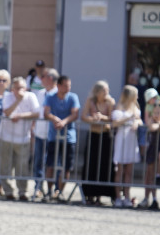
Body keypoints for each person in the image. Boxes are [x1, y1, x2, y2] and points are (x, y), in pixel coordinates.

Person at [0, 76, 41, 201]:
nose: (20, 90)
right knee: (5, 167)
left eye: (22, 87)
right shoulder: (7, 96)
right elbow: (7, 113)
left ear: (26, 88)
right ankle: (8, 191)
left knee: (22, 167)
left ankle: (23, 192)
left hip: (23, 138)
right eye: (17, 88)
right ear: (12, 89)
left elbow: (37, 113)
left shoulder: (31, 97)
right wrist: (17, 101)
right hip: (5, 137)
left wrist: (20, 115)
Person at [43, 74, 81, 203]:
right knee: (50, 164)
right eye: (65, 85)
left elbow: (75, 114)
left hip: (69, 138)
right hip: (54, 137)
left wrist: (64, 122)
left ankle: (59, 191)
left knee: (66, 167)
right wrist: (55, 119)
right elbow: (46, 112)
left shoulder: (73, 97)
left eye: (69, 85)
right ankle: (48, 191)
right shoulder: (50, 97)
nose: (68, 88)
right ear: (58, 86)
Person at [79, 80, 116, 205]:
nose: (107, 92)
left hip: (105, 136)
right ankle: (90, 194)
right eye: (104, 90)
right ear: (98, 91)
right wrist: (93, 118)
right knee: (91, 163)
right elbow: (83, 116)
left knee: (104, 164)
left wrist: (102, 117)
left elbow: (112, 118)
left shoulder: (110, 102)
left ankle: (101, 194)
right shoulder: (90, 101)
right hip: (93, 135)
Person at [111, 85, 142, 208]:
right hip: (121, 140)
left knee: (129, 171)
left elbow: (139, 120)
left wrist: (136, 122)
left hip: (131, 140)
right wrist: (129, 117)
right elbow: (115, 123)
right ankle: (118, 196)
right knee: (119, 170)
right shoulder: (119, 108)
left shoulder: (135, 108)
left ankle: (127, 196)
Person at [31, 68, 58, 201]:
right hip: (40, 132)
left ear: (50, 79)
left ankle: (51, 189)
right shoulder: (40, 94)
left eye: (43, 77)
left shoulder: (58, 94)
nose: (41, 79)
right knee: (38, 162)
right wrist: (33, 127)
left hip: (52, 134)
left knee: (51, 163)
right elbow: (36, 112)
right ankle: (38, 187)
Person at [139, 88, 160, 210]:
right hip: (153, 142)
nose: (156, 113)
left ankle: (155, 199)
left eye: (158, 111)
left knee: (155, 173)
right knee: (150, 172)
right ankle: (149, 198)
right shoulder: (150, 111)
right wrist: (157, 123)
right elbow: (151, 126)